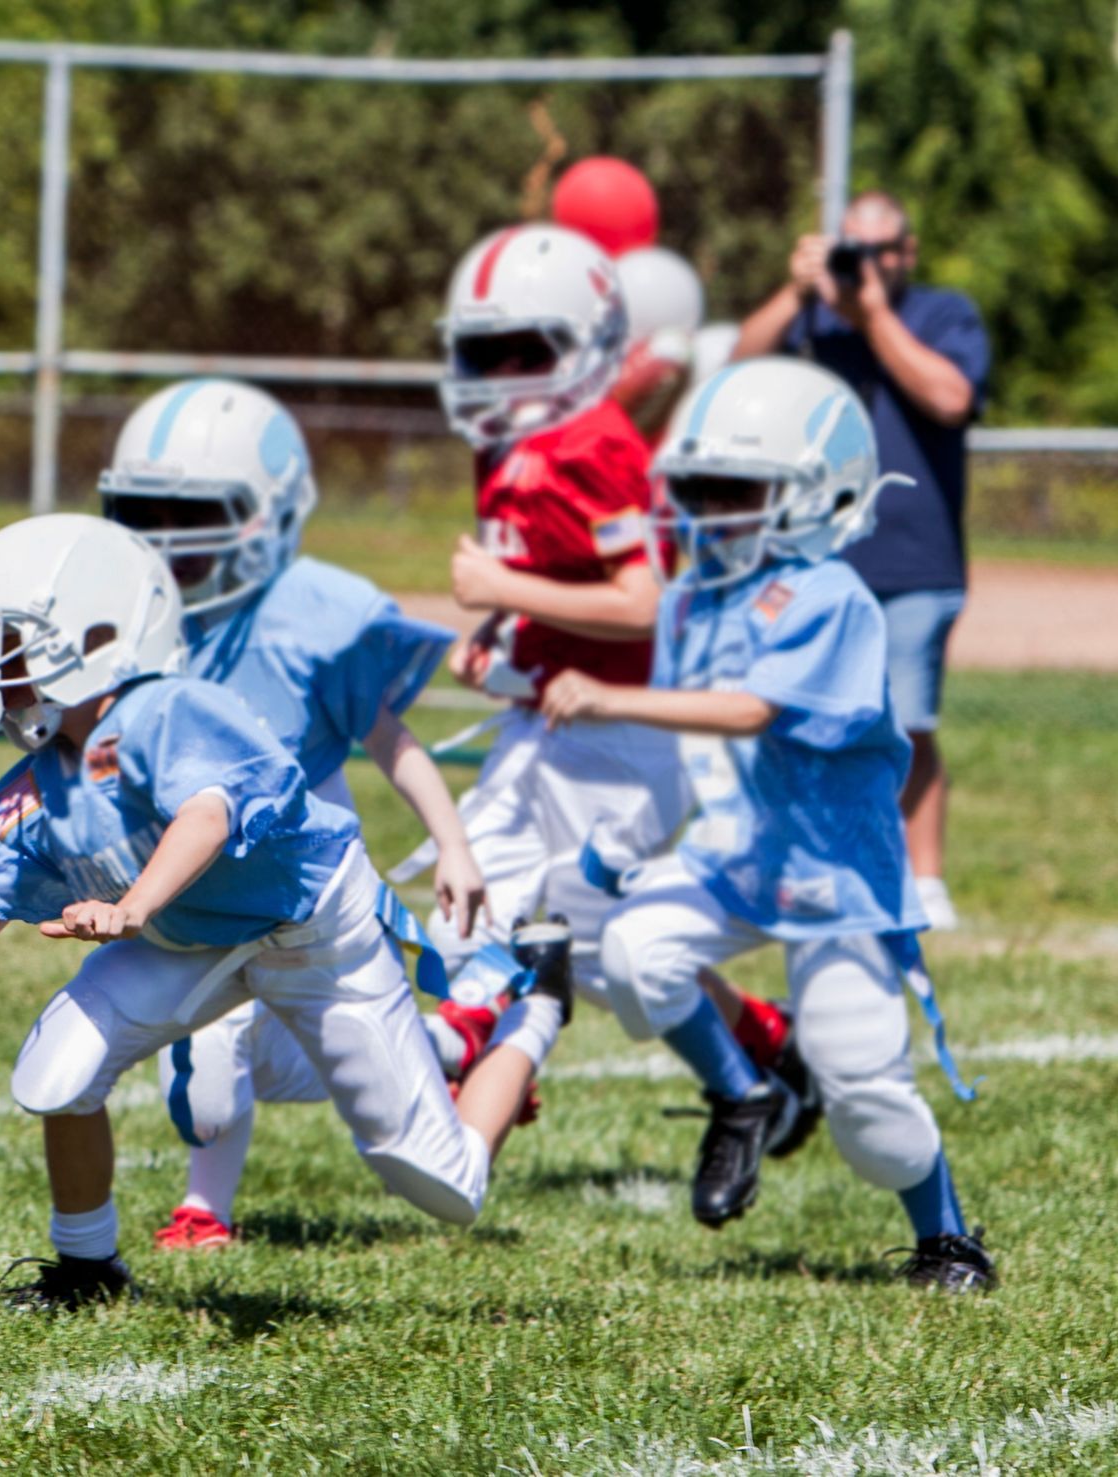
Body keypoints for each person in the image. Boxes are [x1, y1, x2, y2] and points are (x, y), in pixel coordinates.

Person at [0, 514, 575, 1309]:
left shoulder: (166, 711)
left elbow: (208, 814)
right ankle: (89, 1270)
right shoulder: (35, 789)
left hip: (314, 925)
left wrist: (132, 904)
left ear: (91, 635)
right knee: (55, 1071)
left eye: (5, 654)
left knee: (442, 1183)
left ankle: (532, 1009)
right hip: (189, 939)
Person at [543, 357, 993, 1293]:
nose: (707, 508)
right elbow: (689, 746)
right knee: (631, 952)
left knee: (868, 1097)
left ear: (816, 496)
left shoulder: (833, 597)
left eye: (735, 488)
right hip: (737, 856)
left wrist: (608, 698)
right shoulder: (692, 597)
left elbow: (749, 711)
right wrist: (627, 838)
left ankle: (948, 1237)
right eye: (697, 487)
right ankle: (748, 1092)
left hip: (834, 873)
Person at [405, 223, 810, 1131]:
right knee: (478, 903)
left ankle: (486, 1042)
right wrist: (503, 632)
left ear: (583, 346)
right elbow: (558, 577)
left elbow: (642, 603)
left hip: (619, 741)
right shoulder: (506, 439)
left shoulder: (595, 444)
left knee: (599, 946)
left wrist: (504, 589)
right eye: (482, 350)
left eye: (524, 349)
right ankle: (476, 1040)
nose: (500, 371)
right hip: (544, 726)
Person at [97, 377, 494, 1252]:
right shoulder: (132, 617)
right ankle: (210, 1203)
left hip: (308, 882)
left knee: (306, 1057)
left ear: (263, 516)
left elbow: (389, 739)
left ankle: (452, 1050)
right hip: (200, 882)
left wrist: (453, 844)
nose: (165, 544)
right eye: (144, 514)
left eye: (190, 516)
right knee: (211, 1070)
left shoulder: (310, 617)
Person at [731, 191, 991, 929]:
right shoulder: (809, 314)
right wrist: (794, 290)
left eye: (881, 251)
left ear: (907, 253)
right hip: (812, 557)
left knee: (910, 720)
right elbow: (735, 369)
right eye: (852, 249)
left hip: (916, 561)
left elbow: (950, 397)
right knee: (799, 714)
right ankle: (810, 863)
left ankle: (925, 878)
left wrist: (872, 314)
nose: (865, 264)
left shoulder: (942, 314)